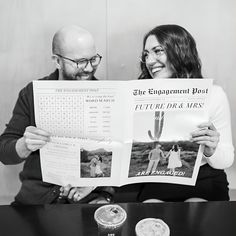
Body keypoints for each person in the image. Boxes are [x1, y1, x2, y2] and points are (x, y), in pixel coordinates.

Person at [0, 25, 114, 205]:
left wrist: (96, 186)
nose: (89, 68)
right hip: (37, 198)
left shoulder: (107, 95)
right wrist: (24, 144)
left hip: (88, 196)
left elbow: (118, 155)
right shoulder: (32, 93)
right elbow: (4, 152)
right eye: (80, 61)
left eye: (93, 59)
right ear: (57, 61)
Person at [136, 24, 234, 202]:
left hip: (203, 177)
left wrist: (211, 150)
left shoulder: (214, 94)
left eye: (158, 51)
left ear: (179, 51)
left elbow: (226, 161)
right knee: (151, 215)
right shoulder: (140, 95)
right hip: (158, 177)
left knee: (196, 213)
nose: (149, 61)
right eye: (146, 54)